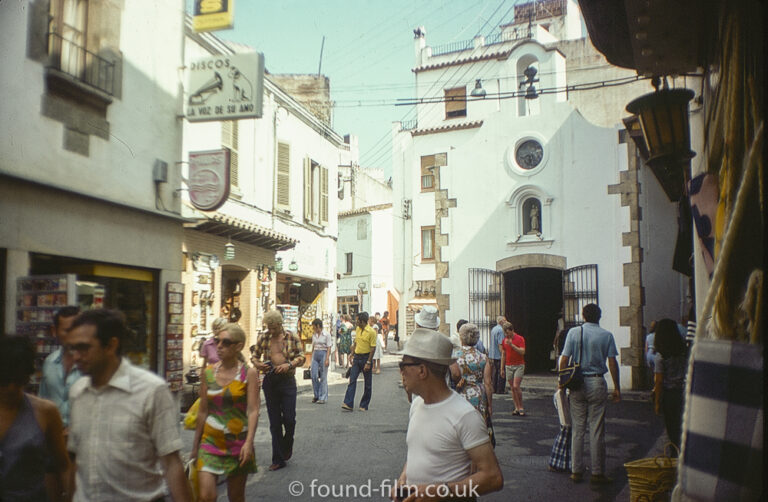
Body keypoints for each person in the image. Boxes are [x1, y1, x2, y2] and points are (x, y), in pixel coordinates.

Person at [67, 309, 191, 501]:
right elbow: (75, 459)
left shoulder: (151, 390)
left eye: (83, 348)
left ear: (111, 345)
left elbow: (171, 462)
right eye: (72, 348)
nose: (75, 357)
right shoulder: (78, 392)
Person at [393, 328, 503, 500]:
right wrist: (403, 478)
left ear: (422, 371)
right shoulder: (417, 404)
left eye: (403, 366)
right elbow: (419, 453)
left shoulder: (464, 415)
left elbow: (493, 478)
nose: (401, 372)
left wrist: (439, 492)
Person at [192, 323, 259, 502]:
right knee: (206, 496)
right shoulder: (208, 373)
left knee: (236, 497)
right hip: (210, 443)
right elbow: (203, 411)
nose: (219, 346)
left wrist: (249, 442)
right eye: (217, 341)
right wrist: (195, 446)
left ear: (238, 346)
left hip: (238, 444)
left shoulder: (249, 374)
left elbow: (253, 410)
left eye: (225, 342)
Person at [1, 335, 69, 502]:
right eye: (4, 382)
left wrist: (68, 495)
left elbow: (63, 466)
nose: (11, 388)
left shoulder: (45, 411)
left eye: (18, 381)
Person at [557, 303, 620, 485]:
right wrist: (616, 388)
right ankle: (597, 472)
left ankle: (576, 470)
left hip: (576, 383)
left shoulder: (574, 333)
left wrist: (562, 382)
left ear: (583, 316)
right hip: (596, 381)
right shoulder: (606, 335)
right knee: (597, 428)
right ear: (599, 316)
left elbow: (564, 358)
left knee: (578, 429)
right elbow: (612, 362)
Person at [250, 309, 306, 471]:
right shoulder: (264, 337)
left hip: (287, 380)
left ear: (280, 324)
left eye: (274, 327)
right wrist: (258, 364)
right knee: (274, 422)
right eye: (269, 327)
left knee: (289, 418)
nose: (272, 331)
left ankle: (288, 443)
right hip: (271, 380)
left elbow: (301, 357)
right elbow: (254, 356)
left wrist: (288, 365)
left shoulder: (292, 337)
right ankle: (278, 458)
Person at [449, 323, 495, 447]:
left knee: (461, 430)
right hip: (479, 395)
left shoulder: (454, 357)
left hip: (461, 393)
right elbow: (488, 383)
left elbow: (454, 375)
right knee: (478, 432)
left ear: (461, 337)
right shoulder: (483, 357)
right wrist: (490, 405)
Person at [39, 305, 81, 429]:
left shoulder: (91, 365)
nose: (74, 335)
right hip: (54, 438)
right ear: (54, 331)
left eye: (77, 329)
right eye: (67, 331)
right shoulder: (49, 362)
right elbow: (43, 403)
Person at [653, 318, 687, 450]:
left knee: (672, 429)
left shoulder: (661, 356)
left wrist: (657, 402)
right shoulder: (683, 352)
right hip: (683, 392)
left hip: (669, 394)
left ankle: (674, 456)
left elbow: (659, 381)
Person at [342, 311, 377, 411]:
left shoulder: (371, 332)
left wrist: (369, 362)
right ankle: (348, 403)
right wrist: (351, 354)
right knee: (352, 379)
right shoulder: (357, 329)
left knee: (367, 383)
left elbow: (372, 348)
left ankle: (364, 404)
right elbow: (356, 342)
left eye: (357, 320)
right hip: (357, 357)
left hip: (366, 358)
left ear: (362, 321)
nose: (356, 322)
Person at [500, 322, 526, 416]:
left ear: (512, 330)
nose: (507, 335)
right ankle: (516, 407)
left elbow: (522, 352)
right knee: (512, 388)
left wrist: (512, 345)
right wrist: (501, 368)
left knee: (516, 386)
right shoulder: (504, 340)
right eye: (505, 333)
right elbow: (503, 354)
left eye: (508, 333)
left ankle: (521, 406)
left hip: (519, 365)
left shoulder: (520, 339)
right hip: (508, 365)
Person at [309, 318, 331, 403]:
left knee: (323, 376)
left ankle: (323, 397)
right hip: (315, 353)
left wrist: (327, 359)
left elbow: (329, 347)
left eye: (314, 327)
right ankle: (316, 395)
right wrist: (311, 358)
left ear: (318, 326)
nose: (313, 329)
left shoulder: (326, 335)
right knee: (313, 375)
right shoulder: (314, 335)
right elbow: (313, 346)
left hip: (324, 353)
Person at [488, 316, 506, 394]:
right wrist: (503, 354)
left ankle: (494, 388)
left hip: (492, 354)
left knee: (495, 373)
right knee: (501, 372)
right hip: (499, 355)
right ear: (501, 322)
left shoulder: (494, 329)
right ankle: (500, 389)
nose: (506, 322)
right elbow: (500, 344)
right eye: (505, 320)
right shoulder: (501, 330)